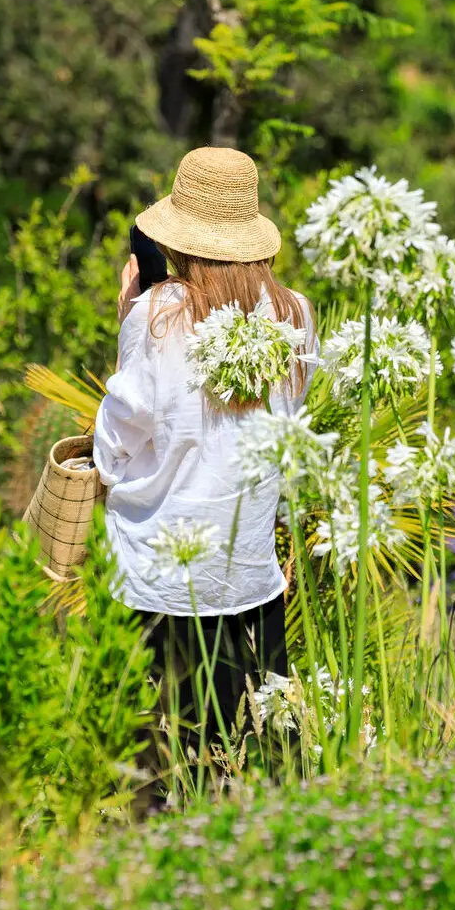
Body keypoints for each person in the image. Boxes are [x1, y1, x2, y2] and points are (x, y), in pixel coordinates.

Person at [92, 146, 316, 753]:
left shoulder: (158, 314)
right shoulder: (295, 312)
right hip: (248, 576)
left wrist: (127, 319)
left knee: (157, 767)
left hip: (159, 577)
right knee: (259, 760)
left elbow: (112, 450)